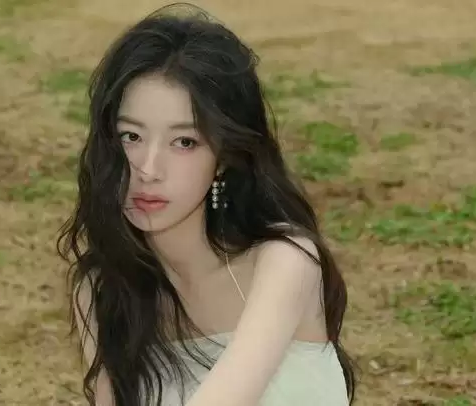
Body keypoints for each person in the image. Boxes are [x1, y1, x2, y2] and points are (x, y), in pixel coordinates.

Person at [58, 3, 357, 406]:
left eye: (185, 142)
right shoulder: (103, 291)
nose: (148, 169)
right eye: (131, 136)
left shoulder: (284, 261)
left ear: (226, 156)